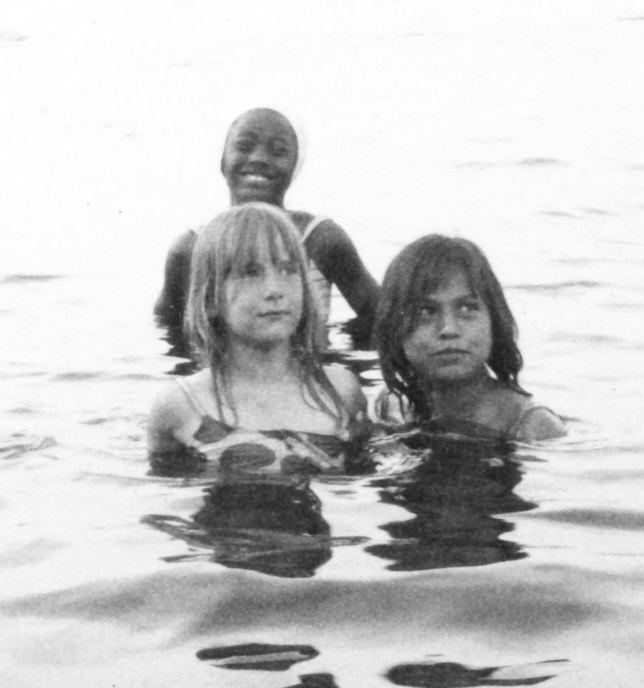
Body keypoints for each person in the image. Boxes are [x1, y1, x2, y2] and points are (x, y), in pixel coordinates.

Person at [147, 202, 367, 475]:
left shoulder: (341, 392)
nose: (275, 290)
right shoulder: (179, 406)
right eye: (251, 273)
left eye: (288, 270)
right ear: (211, 299)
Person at [154, 108, 377, 341]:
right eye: (244, 146)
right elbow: (170, 336)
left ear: (295, 167)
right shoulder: (190, 248)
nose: (259, 158)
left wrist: (338, 366)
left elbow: (382, 319)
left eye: (278, 151)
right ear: (222, 161)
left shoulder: (321, 239)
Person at [370, 235, 565, 442]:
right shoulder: (392, 404)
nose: (448, 329)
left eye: (467, 308)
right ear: (394, 328)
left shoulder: (532, 425)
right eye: (426, 311)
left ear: (494, 321)